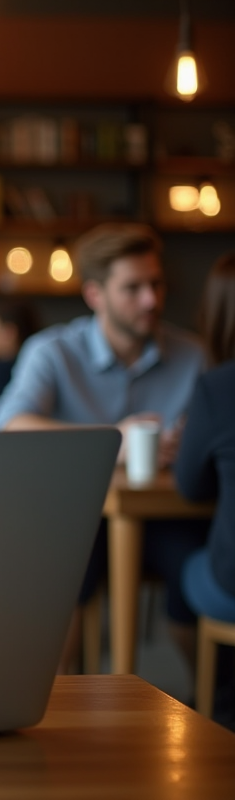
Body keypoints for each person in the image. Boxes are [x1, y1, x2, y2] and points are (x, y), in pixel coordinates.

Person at [0, 223, 208, 670]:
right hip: (73, 513)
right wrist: (115, 440)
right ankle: (56, 710)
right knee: (61, 580)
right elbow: (11, 427)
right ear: (95, 294)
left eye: (156, 284)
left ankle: (212, 702)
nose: (151, 299)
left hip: (165, 518)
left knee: (200, 573)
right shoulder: (53, 351)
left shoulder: (194, 356)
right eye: (133, 288)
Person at [177, 253, 235, 625]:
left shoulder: (217, 387)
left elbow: (191, 487)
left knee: (189, 564)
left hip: (231, 586)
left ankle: (220, 683)